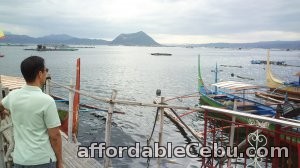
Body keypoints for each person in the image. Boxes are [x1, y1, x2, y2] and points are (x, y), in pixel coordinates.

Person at [0, 56, 63, 168]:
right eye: (46, 70)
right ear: (40, 74)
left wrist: (3, 111)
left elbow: (1, 105)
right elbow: (55, 136)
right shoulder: (47, 101)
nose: (46, 73)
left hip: (20, 160)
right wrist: (60, 161)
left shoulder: (13, 95)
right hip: (42, 160)